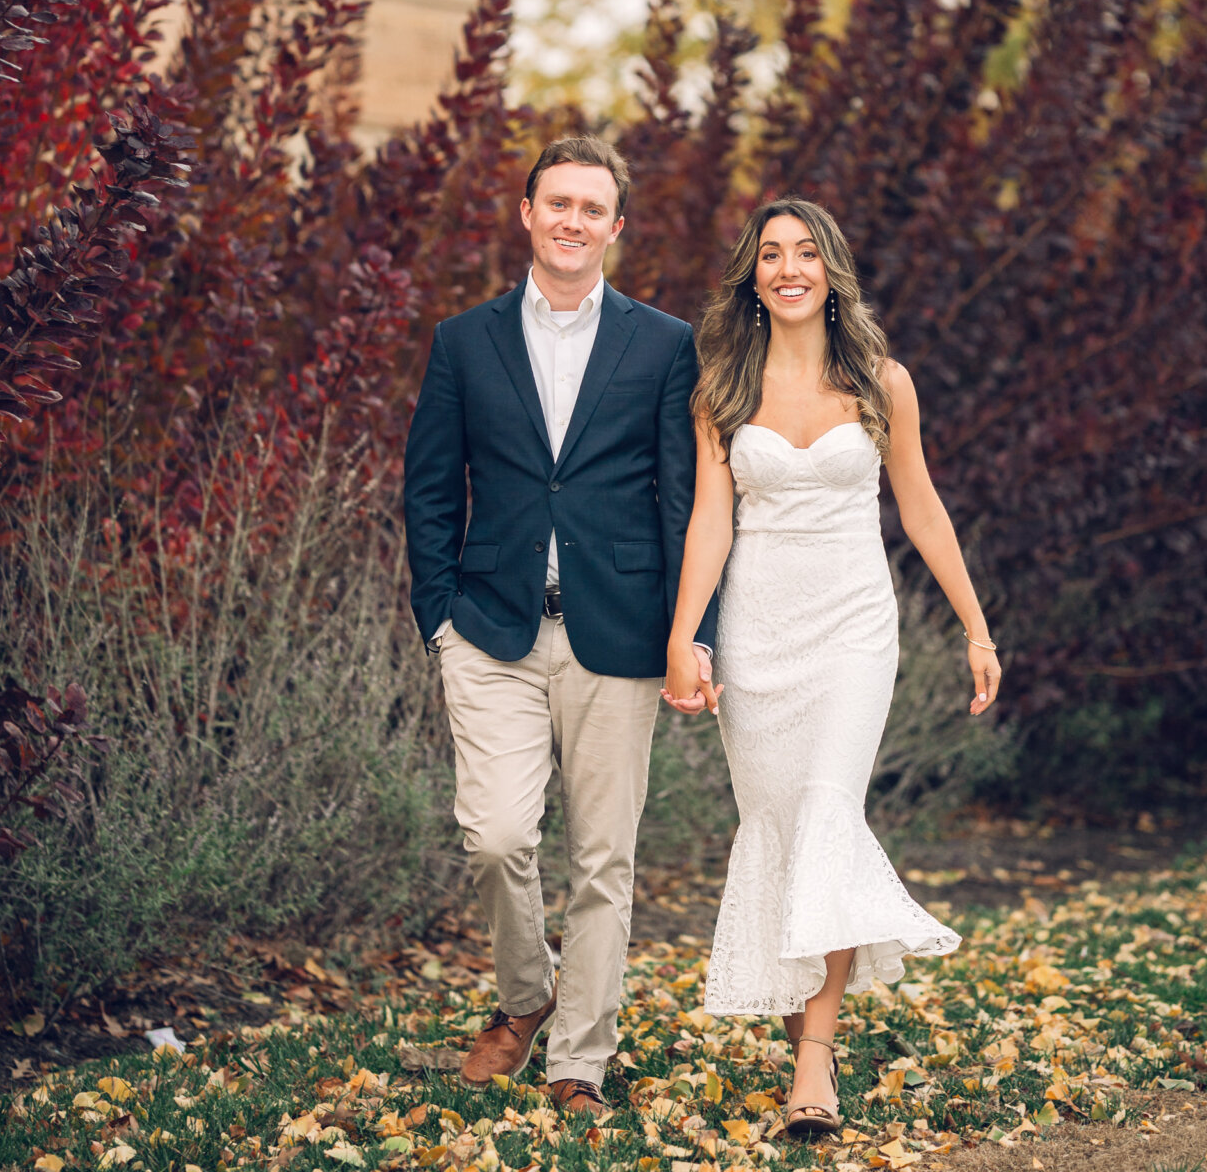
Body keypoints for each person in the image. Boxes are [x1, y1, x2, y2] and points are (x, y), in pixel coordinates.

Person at [663, 197, 1001, 1138]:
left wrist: (977, 627)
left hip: (854, 631)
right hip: (758, 637)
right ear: (752, 275)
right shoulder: (722, 389)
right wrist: (685, 634)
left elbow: (922, 509)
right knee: (777, 830)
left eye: (806, 251)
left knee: (826, 812)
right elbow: (711, 521)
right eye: (771, 254)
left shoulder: (882, 382)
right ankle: (796, 1009)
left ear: (831, 268)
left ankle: (814, 1064)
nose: (788, 267)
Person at [404, 135, 716, 1117]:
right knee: (495, 836)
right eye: (557, 203)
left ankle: (578, 1058)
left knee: (602, 858)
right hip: (489, 627)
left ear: (614, 229)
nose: (572, 220)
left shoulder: (663, 344)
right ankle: (523, 997)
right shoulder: (463, 340)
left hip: (617, 632)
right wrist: (437, 615)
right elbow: (426, 486)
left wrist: (687, 630)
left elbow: (680, 499)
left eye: (592, 208)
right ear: (526, 214)